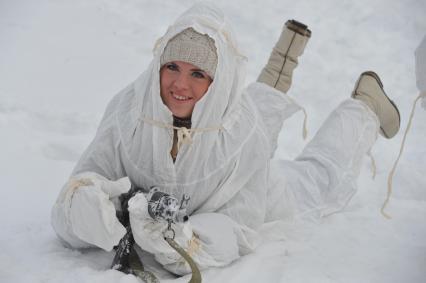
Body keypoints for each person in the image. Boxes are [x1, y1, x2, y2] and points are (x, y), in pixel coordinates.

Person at [51, 2, 400, 277]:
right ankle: (285, 56)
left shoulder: (242, 133)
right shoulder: (129, 111)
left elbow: (238, 228)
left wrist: (184, 240)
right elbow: (77, 190)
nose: (179, 85)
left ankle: (365, 106)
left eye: (198, 73)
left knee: (320, 176)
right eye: (172, 67)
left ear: (218, 83)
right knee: (251, 114)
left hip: (266, 193)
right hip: (230, 130)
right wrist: (87, 209)